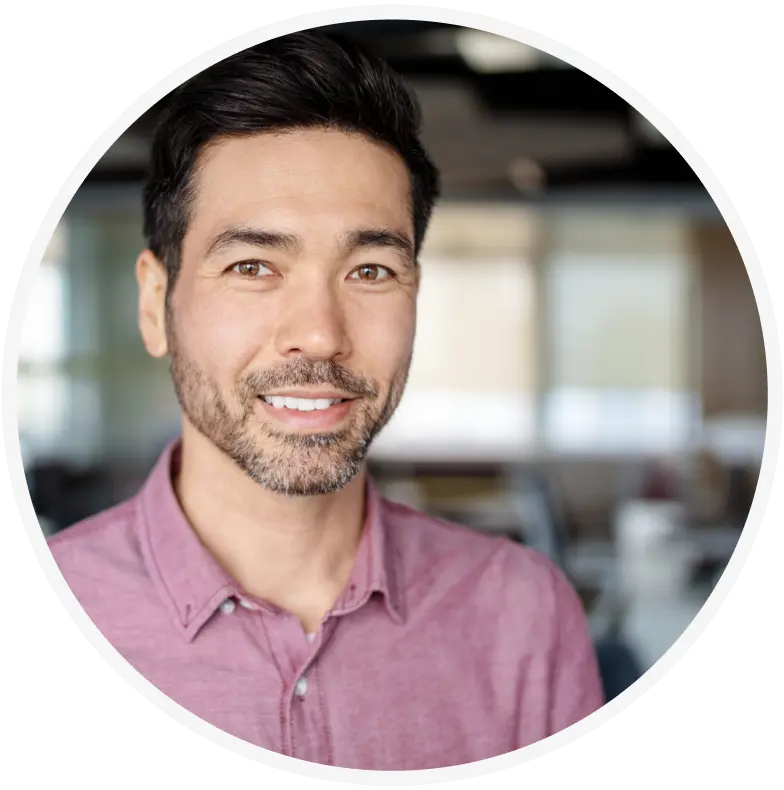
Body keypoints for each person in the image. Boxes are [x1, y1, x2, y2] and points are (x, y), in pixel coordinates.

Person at [47, 30, 604, 770]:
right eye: (253, 265)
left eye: (371, 271)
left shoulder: (521, 613)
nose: (318, 335)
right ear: (156, 304)